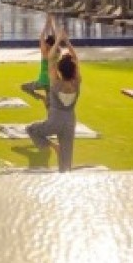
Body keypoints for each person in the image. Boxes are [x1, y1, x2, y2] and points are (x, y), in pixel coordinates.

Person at [26, 28, 82, 172]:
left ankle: (53, 146)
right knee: (66, 158)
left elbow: (50, 58)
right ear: (74, 70)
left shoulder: (56, 83)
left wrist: (58, 41)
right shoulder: (77, 82)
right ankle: (64, 172)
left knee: (31, 129)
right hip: (70, 121)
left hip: (54, 121)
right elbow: (76, 59)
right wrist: (67, 42)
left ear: (60, 70)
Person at [21, 13, 58, 102]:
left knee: (24, 87)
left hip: (42, 81)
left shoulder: (45, 53)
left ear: (48, 44)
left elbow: (41, 37)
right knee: (49, 103)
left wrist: (46, 24)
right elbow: (56, 38)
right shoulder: (57, 52)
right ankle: (45, 104)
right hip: (52, 82)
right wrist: (51, 24)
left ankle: (40, 97)